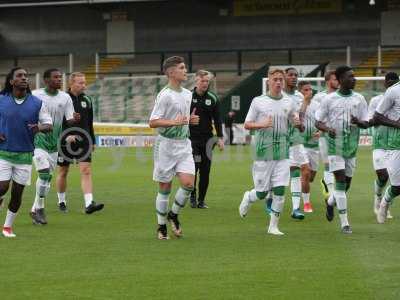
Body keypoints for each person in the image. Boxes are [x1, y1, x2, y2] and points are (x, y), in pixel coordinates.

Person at [238, 68, 302, 235]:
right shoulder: (258, 101)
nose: (279, 82)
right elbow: (247, 124)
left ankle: (273, 226)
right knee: (261, 193)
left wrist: (297, 123)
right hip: (263, 153)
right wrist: (262, 124)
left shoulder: (289, 102)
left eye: (281, 79)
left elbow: (296, 122)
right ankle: (248, 197)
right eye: (275, 79)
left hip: (282, 152)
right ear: (269, 81)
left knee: (280, 190)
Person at [149, 56, 200, 240]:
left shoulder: (188, 94)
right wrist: (174, 122)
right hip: (166, 145)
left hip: (184, 144)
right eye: (181, 67)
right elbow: (152, 122)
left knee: (188, 184)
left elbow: (183, 120)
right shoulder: (165, 95)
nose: (185, 70)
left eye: (185, 67)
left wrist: (190, 121)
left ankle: (173, 214)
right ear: (171, 72)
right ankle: (161, 226)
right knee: (165, 187)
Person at [315, 65, 369, 234]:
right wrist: (328, 129)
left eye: (354, 76)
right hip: (334, 146)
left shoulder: (359, 99)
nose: (354, 79)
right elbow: (318, 121)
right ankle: (345, 223)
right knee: (340, 181)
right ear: (340, 80)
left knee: (345, 185)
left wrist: (359, 122)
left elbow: (366, 122)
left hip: (351, 147)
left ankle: (330, 202)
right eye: (350, 77)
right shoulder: (329, 100)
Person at [0, 67, 52, 237]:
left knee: (17, 194)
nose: (24, 78)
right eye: (19, 76)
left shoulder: (37, 103)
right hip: (3, 152)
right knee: (3, 187)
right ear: (11, 81)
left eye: (25, 76)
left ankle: (7, 227)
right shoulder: (2, 99)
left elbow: (48, 125)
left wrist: (39, 127)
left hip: (25, 155)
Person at [30, 68, 80, 225]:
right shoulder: (35, 95)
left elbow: (69, 120)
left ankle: (35, 209)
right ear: (46, 80)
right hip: (38, 139)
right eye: (56, 77)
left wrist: (75, 119)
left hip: (54, 143)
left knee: (46, 179)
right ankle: (39, 209)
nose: (60, 79)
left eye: (60, 77)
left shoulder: (65, 98)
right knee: (44, 174)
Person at [56, 72, 104, 214]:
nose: (84, 85)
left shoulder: (87, 99)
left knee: (86, 170)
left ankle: (89, 203)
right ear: (72, 83)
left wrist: (93, 140)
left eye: (84, 82)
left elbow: (89, 122)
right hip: (65, 142)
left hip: (84, 141)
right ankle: (61, 200)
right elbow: (56, 121)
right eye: (81, 83)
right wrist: (65, 136)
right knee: (63, 171)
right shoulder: (62, 99)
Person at [189, 70, 224, 209]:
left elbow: (217, 119)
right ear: (196, 81)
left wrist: (220, 137)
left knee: (205, 171)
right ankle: (192, 196)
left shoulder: (213, 98)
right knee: (194, 168)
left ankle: (201, 200)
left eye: (207, 81)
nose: (205, 84)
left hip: (208, 142)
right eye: (202, 81)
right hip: (192, 141)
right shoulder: (188, 97)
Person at [368, 72, 398, 219]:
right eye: (389, 81)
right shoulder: (376, 100)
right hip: (380, 143)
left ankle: (385, 203)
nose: (392, 84)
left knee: (394, 180)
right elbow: (371, 118)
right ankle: (378, 198)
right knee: (383, 176)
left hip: (394, 143)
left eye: (395, 81)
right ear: (385, 84)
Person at [283, 67, 308, 220]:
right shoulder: (279, 95)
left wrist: (301, 124)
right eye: (290, 75)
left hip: (296, 140)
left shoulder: (299, 96)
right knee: (274, 177)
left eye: (296, 75)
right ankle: (266, 197)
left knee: (298, 170)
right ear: (285, 77)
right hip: (279, 140)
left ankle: (296, 208)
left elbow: (301, 117)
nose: (293, 77)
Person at [312, 71, 339, 199]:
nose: (338, 81)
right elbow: (316, 117)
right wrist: (319, 130)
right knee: (329, 163)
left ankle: (328, 185)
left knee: (339, 165)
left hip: (341, 137)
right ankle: (331, 193)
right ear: (328, 81)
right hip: (325, 135)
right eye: (335, 79)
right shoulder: (319, 97)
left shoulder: (341, 96)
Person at [298, 81, 320, 213]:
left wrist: (321, 131)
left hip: (314, 146)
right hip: (300, 144)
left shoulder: (318, 105)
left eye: (310, 89)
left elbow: (323, 121)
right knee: (305, 173)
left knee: (311, 176)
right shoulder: (298, 105)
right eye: (305, 90)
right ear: (300, 92)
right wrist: (304, 102)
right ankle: (306, 203)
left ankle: (300, 184)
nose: (309, 92)